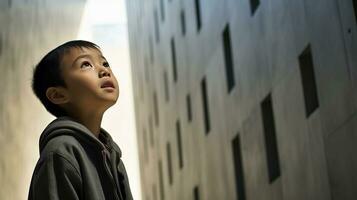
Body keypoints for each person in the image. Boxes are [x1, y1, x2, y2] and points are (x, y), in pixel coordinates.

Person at [28, 40, 133, 200]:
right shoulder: (61, 152)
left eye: (105, 63)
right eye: (86, 65)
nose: (104, 70)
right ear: (58, 95)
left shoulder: (113, 157)